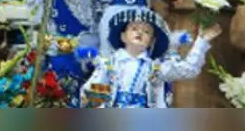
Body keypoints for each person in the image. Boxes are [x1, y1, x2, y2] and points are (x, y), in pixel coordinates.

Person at [80, 7, 219, 108]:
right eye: (134, 28)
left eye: (146, 31)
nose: (140, 32)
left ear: (152, 42)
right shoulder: (109, 64)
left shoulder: (155, 68)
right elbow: (89, 92)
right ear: (123, 36)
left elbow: (188, 70)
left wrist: (202, 40)